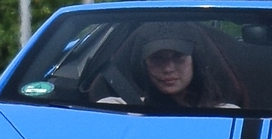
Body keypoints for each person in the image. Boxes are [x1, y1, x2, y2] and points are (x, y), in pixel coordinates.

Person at [90, 22, 247, 110]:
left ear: (195, 62)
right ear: (143, 65)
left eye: (178, 57)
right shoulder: (116, 109)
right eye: (157, 58)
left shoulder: (226, 113)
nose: (168, 68)